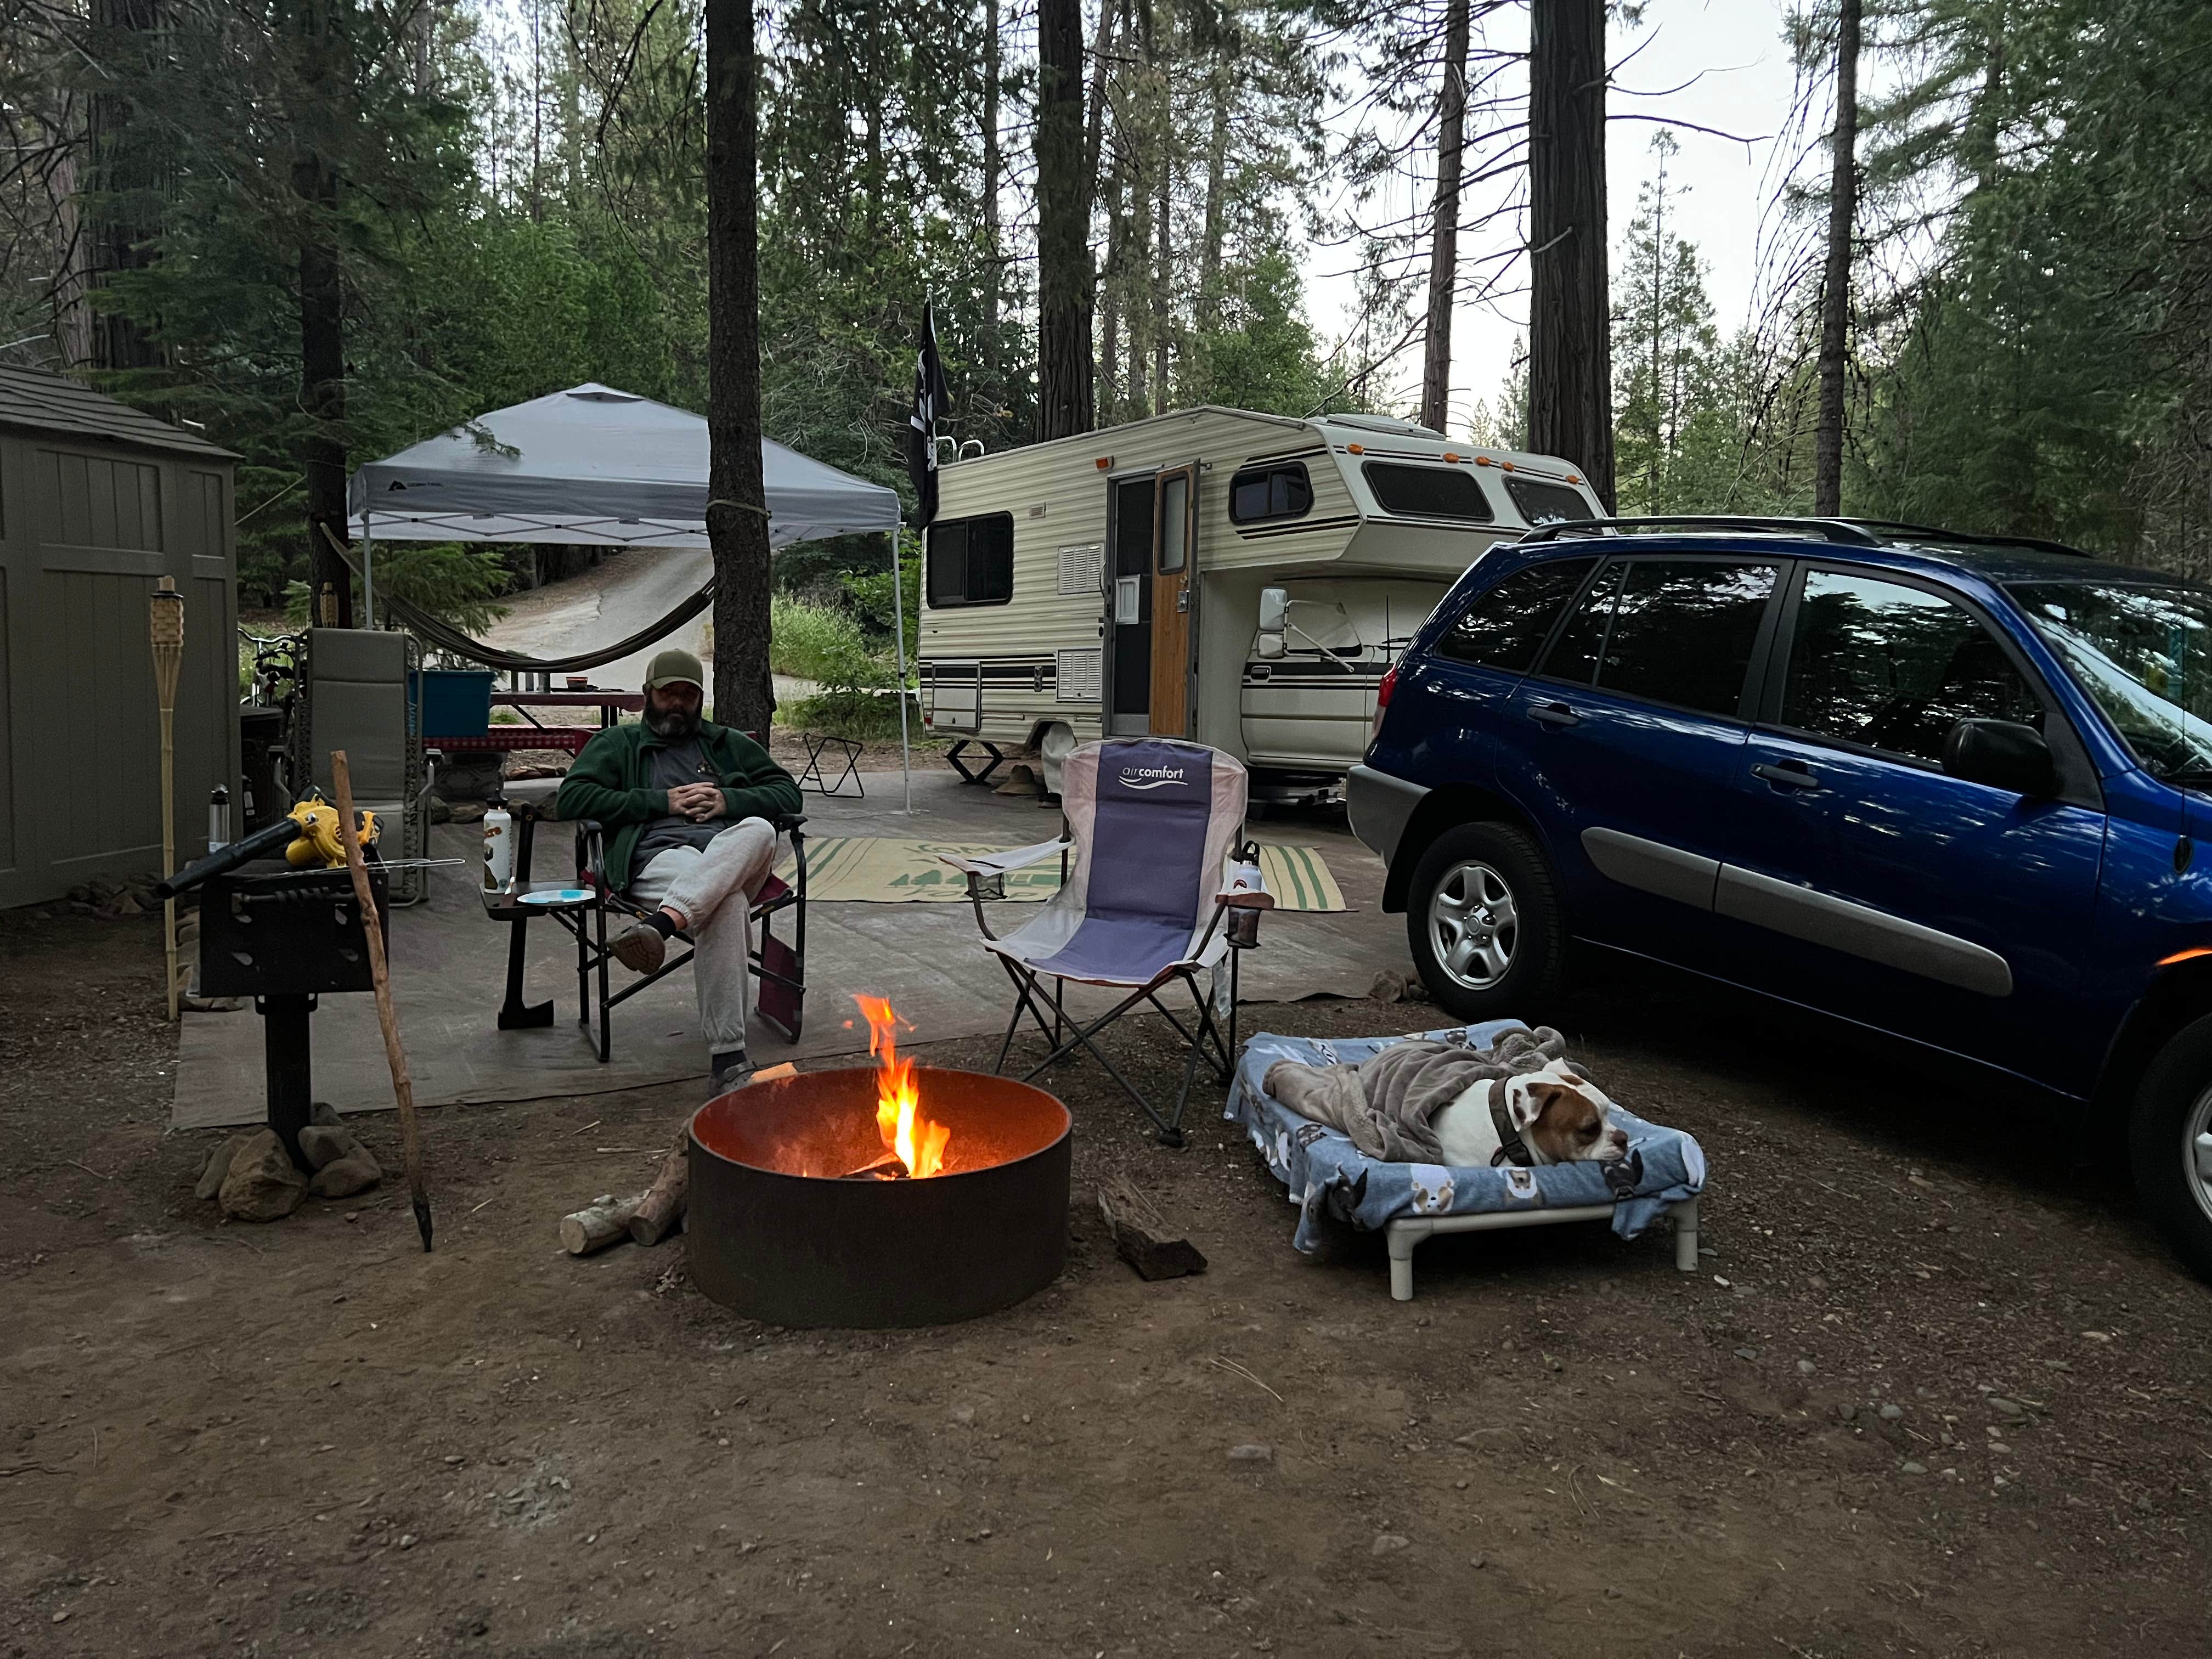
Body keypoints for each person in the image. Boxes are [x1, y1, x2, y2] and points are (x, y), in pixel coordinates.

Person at [555, 648, 802, 1095]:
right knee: (727, 907)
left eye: (688, 695)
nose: (678, 703)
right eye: (669, 693)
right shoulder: (618, 744)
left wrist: (730, 801)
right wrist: (660, 802)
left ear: (700, 699)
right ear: (648, 694)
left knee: (760, 829)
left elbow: (788, 792)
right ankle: (728, 1061)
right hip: (658, 861)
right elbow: (571, 799)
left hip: (732, 857)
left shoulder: (727, 744)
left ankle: (661, 926)